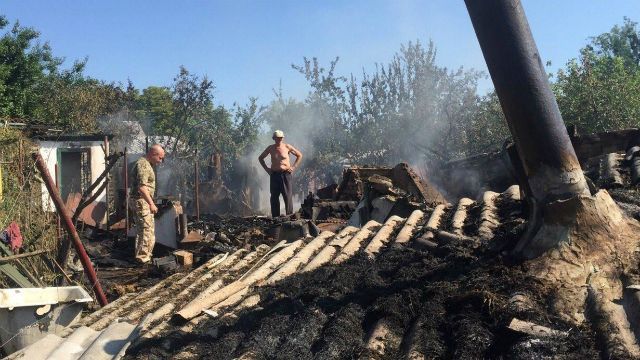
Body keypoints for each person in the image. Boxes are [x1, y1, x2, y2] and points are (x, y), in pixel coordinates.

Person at [130, 144, 165, 264]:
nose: (161, 161)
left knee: (148, 230)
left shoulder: (147, 164)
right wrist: (151, 203)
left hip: (144, 201)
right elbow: (142, 188)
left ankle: (146, 257)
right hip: (142, 201)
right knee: (145, 230)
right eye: (160, 158)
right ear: (153, 154)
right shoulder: (143, 164)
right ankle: (142, 259)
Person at [258, 130, 303, 217]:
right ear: (274, 138)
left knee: (287, 196)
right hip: (274, 175)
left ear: (282, 138)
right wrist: (267, 169)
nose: (279, 139)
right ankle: (276, 218)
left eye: (280, 138)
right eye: (277, 138)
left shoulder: (287, 147)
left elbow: (299, 155)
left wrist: (293, 167)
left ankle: (289, 217)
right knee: (274, 197)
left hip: (285, 175)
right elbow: (260, 158)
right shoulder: (270, 148)